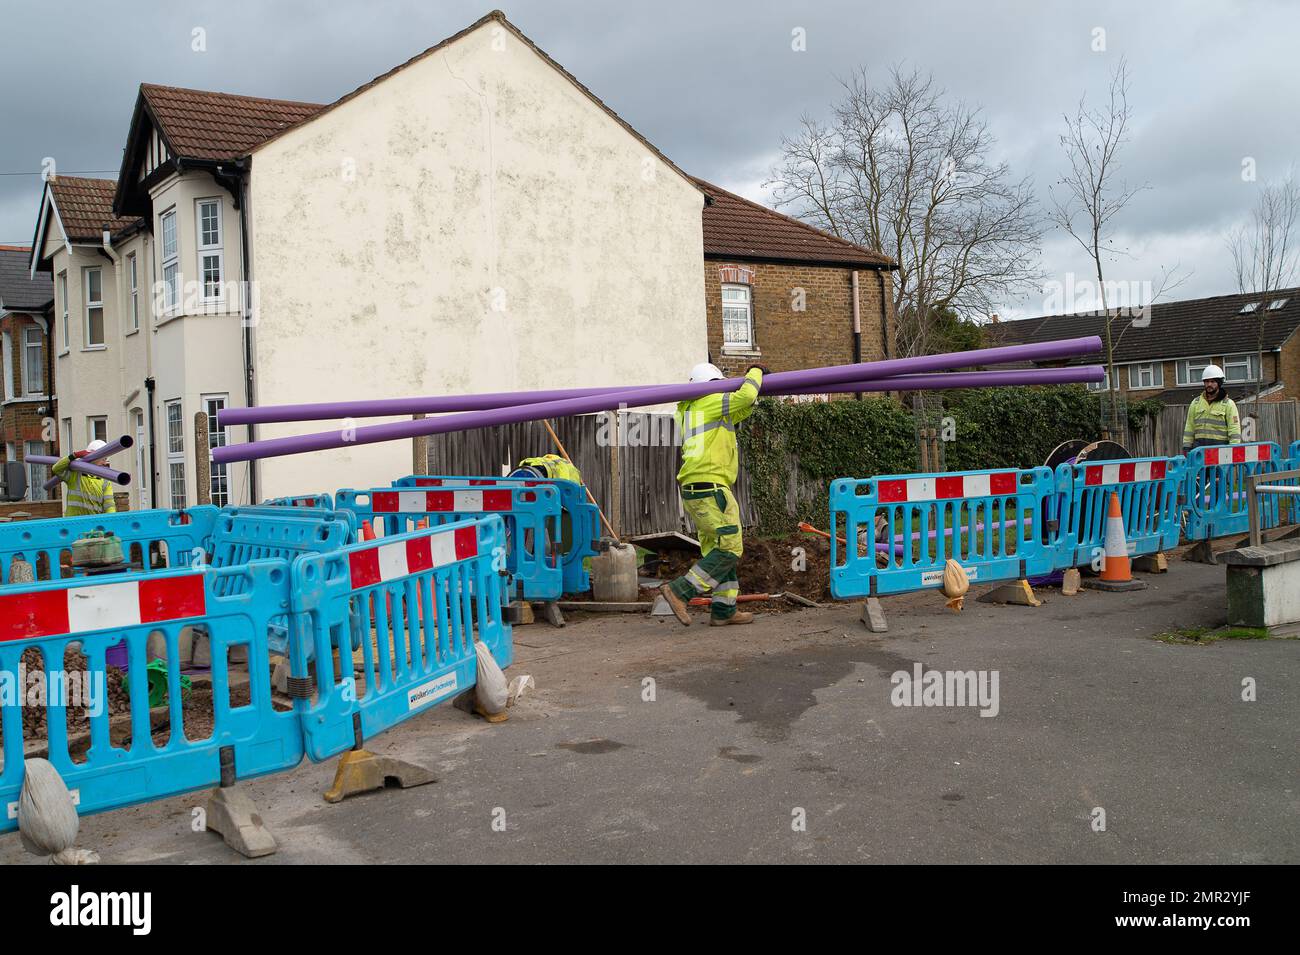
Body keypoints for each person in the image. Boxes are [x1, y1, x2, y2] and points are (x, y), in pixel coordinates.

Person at [659, 362, 764, 627]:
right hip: (712, 487)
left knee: (717, 548)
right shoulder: (710, 402)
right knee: (730, 548)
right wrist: (756, 371)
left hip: (695, 489)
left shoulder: (691, 410)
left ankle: (723, 610)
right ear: (712, 386)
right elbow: (747, 395)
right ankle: (680, 590)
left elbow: (744, 407)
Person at [1181, 365, 1242, 453]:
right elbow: (1189, 427)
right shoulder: (1196, 403)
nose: (1209, 384)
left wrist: (1234, 451)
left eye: (1213, 381)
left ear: (1219, 383)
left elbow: (1234, 430)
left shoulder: (1228, 404)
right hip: (1199, 452)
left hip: (1220, 453)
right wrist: (1186, 447)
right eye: (1206, 381)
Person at [52, 439, 117, 516]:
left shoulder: (105, 480)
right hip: (73, 524)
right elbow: (56, 469)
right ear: (92, 456)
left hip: (94, 525)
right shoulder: (75, 474)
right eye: (103, 458)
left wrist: (110, 523)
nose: (104, 462)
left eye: (106, 459)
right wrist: (74, 455)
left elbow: (109, 506)